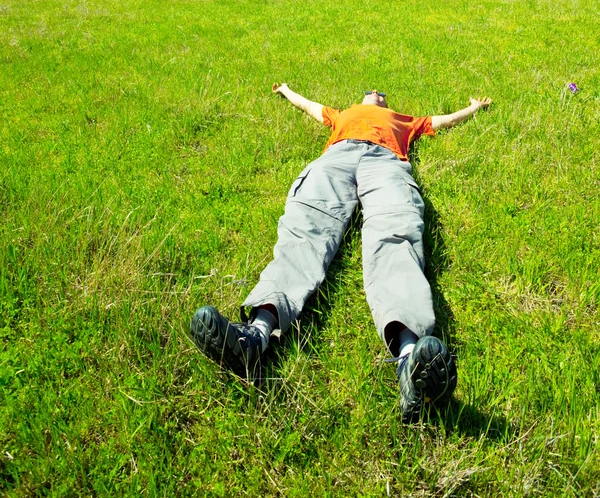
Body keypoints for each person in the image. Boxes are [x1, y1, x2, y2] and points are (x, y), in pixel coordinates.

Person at [190, 84, 492, 422]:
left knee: (395, 234)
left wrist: (474, 108)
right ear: (360, 100)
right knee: (305, 229)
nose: (376, 93)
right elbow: (309, 106)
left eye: (381, 93)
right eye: (370, 91)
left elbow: (445, 120)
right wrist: (286, 90)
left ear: (386, 102)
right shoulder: (341, 115)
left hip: (387, 163)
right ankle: (253, 338)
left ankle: (412, 361)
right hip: (337, 158)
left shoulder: (404, 121)